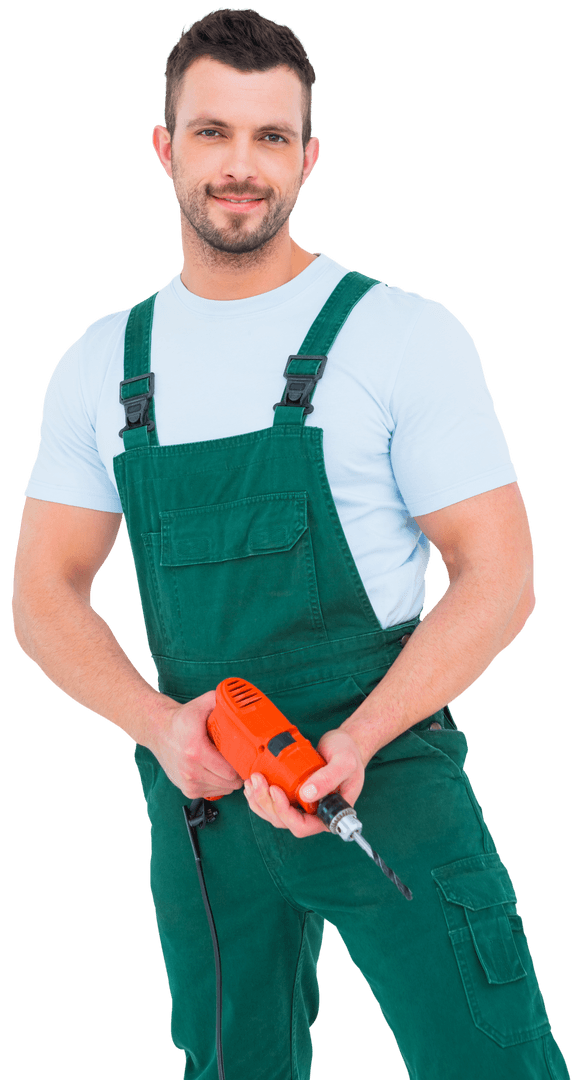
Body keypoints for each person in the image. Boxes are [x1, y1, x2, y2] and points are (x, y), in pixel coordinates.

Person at [11, 8, 570, 1080]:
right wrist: (160, 728)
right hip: (204, 793)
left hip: (385, 773)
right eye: (213, 132)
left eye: (272, 137)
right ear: (167, 148)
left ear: (307, 158)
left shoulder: (401, 335)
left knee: (492, 1061)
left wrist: (355, 743)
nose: (241, 166)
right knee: (228, 1066)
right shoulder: (101, 364)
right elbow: (44, 591)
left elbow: (500, 578)